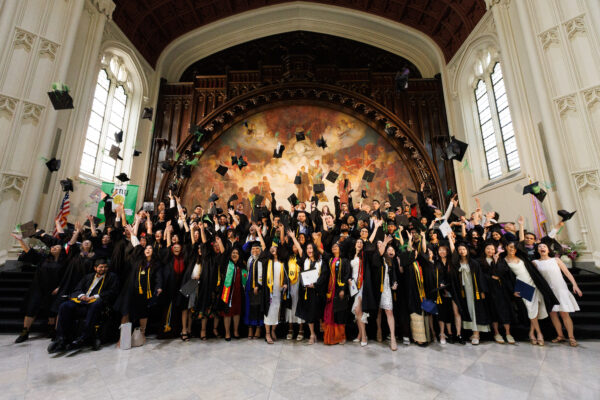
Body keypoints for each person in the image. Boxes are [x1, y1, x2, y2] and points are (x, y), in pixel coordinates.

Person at [48, 259, 119, 353]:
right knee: (64, 306)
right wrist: (82, 296)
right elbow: (77, 289)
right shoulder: (88, 277)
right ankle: (61, 338)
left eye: (105, 267)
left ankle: (84, 337)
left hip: (97, 304)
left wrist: (94, 297)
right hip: (82, 302)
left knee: (96, 303)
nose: (103, 269)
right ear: (95, 268)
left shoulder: (112, 277)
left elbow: (112, 291)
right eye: (101, 267)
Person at [12, 232, 66, 343]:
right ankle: (25, 332)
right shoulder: (43, 258)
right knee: (31, 308)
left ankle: (51, 329)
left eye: (57, 247)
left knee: (52, 310)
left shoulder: (64, 263)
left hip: (53, 289)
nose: (54, 248)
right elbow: (29, 251)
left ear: (61, 251)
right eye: (53, 246)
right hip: (38, 287)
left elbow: (66, 277)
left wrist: (59, 287)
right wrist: (20, 240)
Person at [503, 242, 558, 346]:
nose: (512, 249)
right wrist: (512, 290)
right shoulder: (504, 260)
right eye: (510, 247)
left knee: (536, 307)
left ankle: (531, 333)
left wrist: (521, 226)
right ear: (506, 247)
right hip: (522, 285)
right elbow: (506, 278)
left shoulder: (521, 256)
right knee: (531, 308)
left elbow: (522, 243)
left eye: (514, 247)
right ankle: (539, 333)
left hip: (534, 282)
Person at [534, 242, 582, 347]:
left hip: (560, 289)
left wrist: (575, 285)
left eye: (544, 246)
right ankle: (560, 336)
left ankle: (571, 337)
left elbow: (567, 273)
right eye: (540, 247)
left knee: (564, 314)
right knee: (553, 314)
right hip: (548, 292)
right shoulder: (535, 262)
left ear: (548, 249)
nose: (542, 248)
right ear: (537, 250)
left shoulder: (556, 260)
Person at [448, 235, 489, 345]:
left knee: (475, 310)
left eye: (464, 249)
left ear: (467, 250)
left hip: (474, 290)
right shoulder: (457, 264)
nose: (462, 251)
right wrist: (450, 240)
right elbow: (452, 253)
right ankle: (473, 331)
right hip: (464, 291)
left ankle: (476, 333)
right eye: (460, 250)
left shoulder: (474, 263)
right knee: (468, 310)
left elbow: (480, 277)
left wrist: (482, 291)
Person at [480, 242, 516, 344]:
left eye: (492, 249)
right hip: (489, 290)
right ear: (484, 250)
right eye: (488, 248)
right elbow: (481, 275)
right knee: (493, 312)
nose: (490, 251)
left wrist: (495, 261)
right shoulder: (480, 261)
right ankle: (497, 333)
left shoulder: (500, 260)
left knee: (504, 311)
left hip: (500, 289)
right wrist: (491, 277)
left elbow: (502, 273)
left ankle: (508, 333)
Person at [296, 242, 328, 345]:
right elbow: (300, 251)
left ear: (314, 249)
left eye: (311, 248)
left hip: (318, 292)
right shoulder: (305, 261)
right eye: (307, 248)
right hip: (307, 292)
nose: (309, 250)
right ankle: (312, 334)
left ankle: (323, 335)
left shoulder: (321, 262)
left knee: (319, 314)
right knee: (309, 313)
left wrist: (315, 285)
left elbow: (324, 275)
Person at [322, 242, 350, 345]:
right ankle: (330, 336)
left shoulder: (345, 261)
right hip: (330, 289)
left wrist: (343, 289)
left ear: (340, 249)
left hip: (339, 290)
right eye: (333, 246)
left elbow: (347, 275)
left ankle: (340, 336)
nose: (334, 247)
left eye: (336, 246)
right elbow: (321, 250)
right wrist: (318, 238)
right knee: (330, 311)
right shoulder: (330, 259)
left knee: (339, 312)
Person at [285, 230, 305, 341]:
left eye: (297, 246)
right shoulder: (289, 258)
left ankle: (301, 330)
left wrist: (293, 237)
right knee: (290, 307)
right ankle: (290, 329)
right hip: (290, 285)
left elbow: (301, 250)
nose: (295, 248)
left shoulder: (302, 257)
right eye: (293, 246)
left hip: (299, 285)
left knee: (299, 306)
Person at [350, 239, 369, 346]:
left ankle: (364, 336)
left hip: (362, 284)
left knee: (358, 309)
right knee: (357, 312)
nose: (359, 243)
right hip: (353, 286)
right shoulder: (352, 255)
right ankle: (359, 334)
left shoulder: (364, 255)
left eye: (361, 242)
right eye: (357, 242)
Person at [244, 241, 264, 339]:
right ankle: (250, 328)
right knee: (249, 307)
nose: (254, 250)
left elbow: (261, 274)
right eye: (253, 249)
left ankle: (258, 328)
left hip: (257, 287)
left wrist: (257, 285)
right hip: (248, 286)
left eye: (257, 249)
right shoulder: (249, 259)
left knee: (257, 307)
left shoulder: (261, 260)